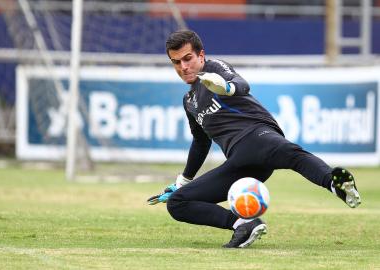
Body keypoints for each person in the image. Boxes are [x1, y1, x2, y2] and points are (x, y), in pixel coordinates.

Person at [147, 30, 361, 248]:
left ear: (201, 55)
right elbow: (200, 143)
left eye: (188, 58)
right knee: (178, 203)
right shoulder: (189, 101)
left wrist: (227, 87)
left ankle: (336, 184)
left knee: (293, 155)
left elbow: (241, 84)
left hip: (258, 136)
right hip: (241, 163)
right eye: (176, 62)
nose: (183, 67)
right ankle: (244, 225)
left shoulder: (214, 69)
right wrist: (182, 182)